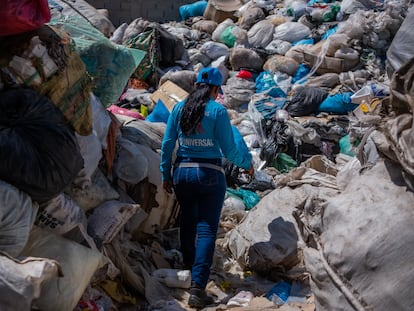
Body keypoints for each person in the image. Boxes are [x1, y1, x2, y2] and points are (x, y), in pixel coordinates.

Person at [160, 67, 254, 308]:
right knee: (206, 229)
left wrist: (165, 174)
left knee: (188, 223)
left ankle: (189, 271)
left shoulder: (180, 108)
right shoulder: (218, 111)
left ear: (195, 85)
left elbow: (168, 143)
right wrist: (248, 165)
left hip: (182, 173)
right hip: (210, 174)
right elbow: (230, 149)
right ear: (214, 89)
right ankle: (197, 287)